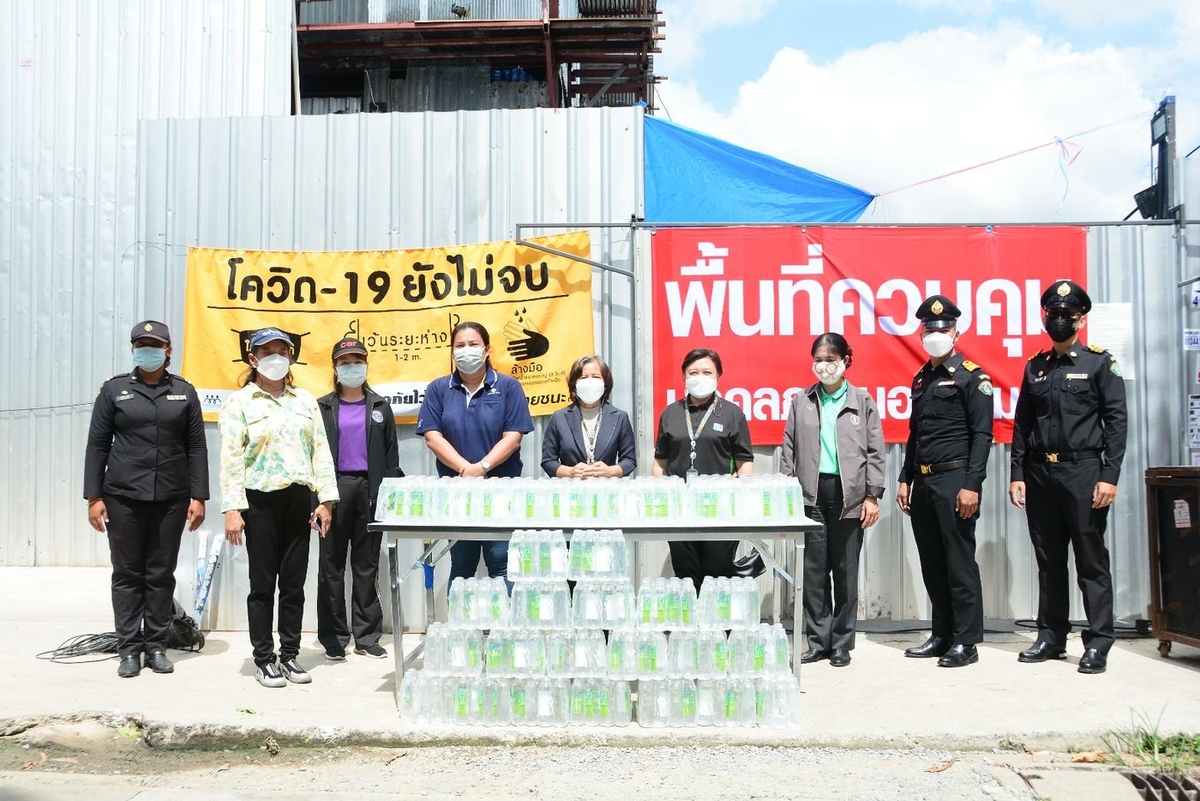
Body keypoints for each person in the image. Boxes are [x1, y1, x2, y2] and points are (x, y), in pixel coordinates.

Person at [1009, 280, 1127, 675]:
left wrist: (1108, 475)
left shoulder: (1098, 363)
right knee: (1049, 559)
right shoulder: (1035, 366)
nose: (1058, 320)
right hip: (1041, 473)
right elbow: (1023, 424)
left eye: (1066, 314)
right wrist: (1017, 473)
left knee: (1091, 560)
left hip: (1084, 472)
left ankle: (1098, 642)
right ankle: (1051, 636)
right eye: (1052, 314)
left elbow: (1116, 422)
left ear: (1081, 318)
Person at [84, 320, 209, 678]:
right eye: (141, 344)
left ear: (168, 350)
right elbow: (97, 444)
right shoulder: (114, 390)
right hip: (122, 496)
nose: (148, 350)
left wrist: (198, 496)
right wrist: (94, 496)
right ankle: (128, 649)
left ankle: (156, 646)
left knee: (159, 574)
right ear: (133, 349)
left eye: (155, 344)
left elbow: (196, 447)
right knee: (126, 574)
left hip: (170, 497)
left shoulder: (184, 393)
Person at [219, 327, 338, 689]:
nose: (275, 357)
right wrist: (232, 509)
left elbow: (320, 451)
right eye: (266, 351)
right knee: (261, 583)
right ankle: (263, 658)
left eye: (281, 351)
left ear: (290, 357)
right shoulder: (239, 403)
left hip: (299, 499)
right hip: (260, 502)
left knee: (293, 582)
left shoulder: (305, 401)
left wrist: (326, 500)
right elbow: (231, 459)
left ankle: (289, 654)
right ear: (252, 358)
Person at [896, 295, 993, 668]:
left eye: (944, 328)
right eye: (930, 329)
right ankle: (941, 634)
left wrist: (972, 485)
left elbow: (982, 435)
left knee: (959, 562)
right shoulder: (921, 378)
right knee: (932, 562)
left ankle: (965, 642)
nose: (936, 334)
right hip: (923, 481)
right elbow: (914, 433)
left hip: (956, 480)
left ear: (956, 331)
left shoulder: (972, 376)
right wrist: (906, 478)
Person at [780, 333, 885, 668]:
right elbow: (788, 450)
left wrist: (872, 495)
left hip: (848, 497)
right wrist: (787, 493)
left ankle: (841, 643)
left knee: (845, 570)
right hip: (810, 494)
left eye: (830, 359)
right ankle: (818, 640)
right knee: (813, 572)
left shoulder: (862, 401)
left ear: (846, 360)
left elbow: (875, 452)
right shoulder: (802, 401)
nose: (824, 366)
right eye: (819, 359)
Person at [416, 321, 534, 583]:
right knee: (462, 566)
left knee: (500, 564)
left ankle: (502, 626)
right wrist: (464, 469)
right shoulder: (438, 389)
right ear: (452, 351)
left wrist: (481, 467)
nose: (466, 350)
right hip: (457, 494)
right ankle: (463, 625)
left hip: (502, 493)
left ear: (487, 349)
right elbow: (432, 437)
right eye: (460, 346)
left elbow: (513, 437)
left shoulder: (508, 387)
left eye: (473, 344)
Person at [316, 337, 403, 662]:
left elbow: (392, 456)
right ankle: (334, 638)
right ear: (335, 367)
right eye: (345, 362)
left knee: (366, 565)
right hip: (333, 489)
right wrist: (318, 498)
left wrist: (389, 497)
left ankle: (367, 636)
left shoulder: (380, 406)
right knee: (331, 565)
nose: (352, 367)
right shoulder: (322, 407)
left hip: (371, 490)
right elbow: (314, 455)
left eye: (357, 361)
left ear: (366, 365)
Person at [652, 348, 755, 593]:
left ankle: (718, 630)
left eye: (707, 372)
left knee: (717, 574)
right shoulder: (671, 413)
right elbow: (659, 463)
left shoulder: (732, 414)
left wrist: (741, 494)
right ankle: (689, 630)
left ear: (718, 375)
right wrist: (661, 497)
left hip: (721, 510)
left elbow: (745, 464)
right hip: (679, 511)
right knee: (685, 576)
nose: (700, 377)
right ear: (684, 377)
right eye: (693, 372)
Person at [541, 354, 637, 479]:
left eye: (596, 377)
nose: (590, 382)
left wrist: (610, 471)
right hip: (571, 491)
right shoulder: (559, 418)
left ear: (605, 383)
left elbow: (629, 460)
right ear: (574, 384)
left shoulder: (619, 417)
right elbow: (548, 461)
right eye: (584, 377)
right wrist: (570, 472)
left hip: (607, 491)